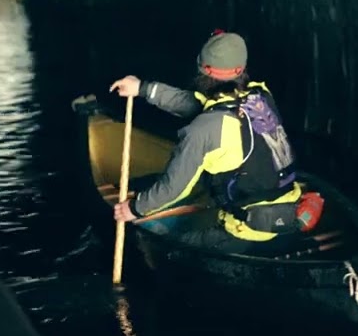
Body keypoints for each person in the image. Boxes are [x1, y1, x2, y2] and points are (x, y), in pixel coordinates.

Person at [109, 30, 302, 253]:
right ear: (241, 68)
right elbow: (196, 104)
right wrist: (143, 88)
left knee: (166, 248)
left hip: (249, 232)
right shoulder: (260, 95)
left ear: (202, 71)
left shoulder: (202, 130)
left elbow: (173, 189)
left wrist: (134, 209)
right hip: (290, 217)